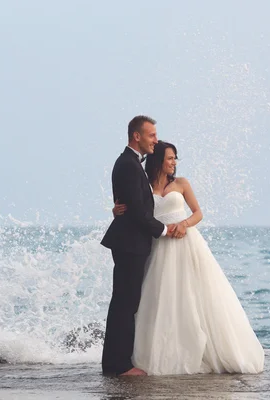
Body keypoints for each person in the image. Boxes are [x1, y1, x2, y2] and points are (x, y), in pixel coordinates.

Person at [112, 140, 265, 375]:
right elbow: (135, 207)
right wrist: (117, 210)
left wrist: (183, 224)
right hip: (158, 245)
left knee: (194, 295)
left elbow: (198, 213)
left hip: (185, 243)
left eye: (175, 158)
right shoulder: (145, 183)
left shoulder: (182, 184)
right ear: (158, 160)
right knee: (160, 298)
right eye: (170, 158)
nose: (174, 162)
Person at [100, 116, 186, 377]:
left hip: (132, 242)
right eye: (151, 135)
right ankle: (119, 366)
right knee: (125, 304)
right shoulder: (127, 164)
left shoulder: (129, 164)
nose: (155, 140)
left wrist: (118, 209)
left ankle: (116, 362)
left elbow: (129, 201)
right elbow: (137, 209)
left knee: (126, 303)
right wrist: (162, 230)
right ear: (137, 136)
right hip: (130, 244)